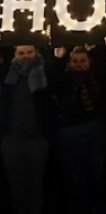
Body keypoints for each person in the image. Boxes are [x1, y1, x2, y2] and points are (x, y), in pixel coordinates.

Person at [49, 45, 106, 214]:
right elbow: (52, 79)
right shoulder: (63, 80)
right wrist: (58, 58)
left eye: (82, 61)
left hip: (94, 129)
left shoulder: (97, 78)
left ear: (89, 62)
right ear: (69, 63)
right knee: (73, 176)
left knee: (95, 173)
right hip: (69, 131)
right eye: (75, 61)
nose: (79, 64)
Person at [0, 43, 54, 214]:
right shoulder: (7, 76)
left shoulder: (45, 73)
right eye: (21, 53)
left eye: (29, 52)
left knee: (36, 186)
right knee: (15, 187)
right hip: (12, 141)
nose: (25, 56)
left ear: (36, 52)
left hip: (37, 141)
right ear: (14, 54)